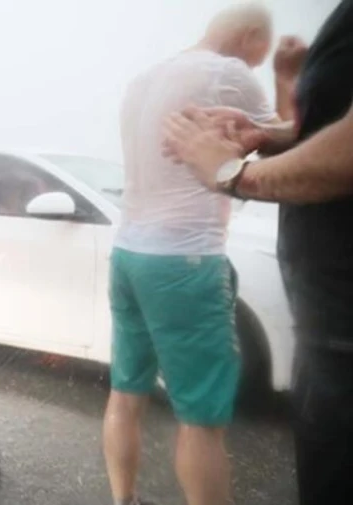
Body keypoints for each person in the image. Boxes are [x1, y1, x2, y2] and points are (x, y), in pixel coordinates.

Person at [162, 3, 353, 504]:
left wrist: (234, 173)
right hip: (328, 324)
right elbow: (321, 133)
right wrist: (267, 132)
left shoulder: (166, 76)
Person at [102, 3, 283, 505]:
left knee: (127, 390)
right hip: (184, 261)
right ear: (249, 37)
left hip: (128, 253)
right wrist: (288, 84)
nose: (256, 67)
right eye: (259, 55)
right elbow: (292, 142)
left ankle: (124, 499)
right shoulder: (226, 75)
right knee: (201, 419)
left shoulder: (141, 83)